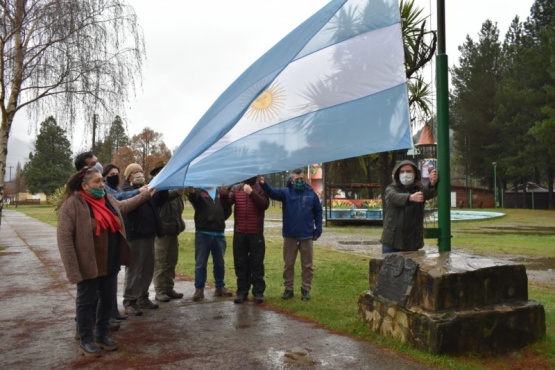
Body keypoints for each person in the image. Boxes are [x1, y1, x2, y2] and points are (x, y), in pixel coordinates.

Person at [57, 166, 153, 357]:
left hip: (110, 260)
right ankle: (86, 340)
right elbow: (64, 240)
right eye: (97, 181)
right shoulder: (72, 205)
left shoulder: (106, 199)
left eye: (102, 180)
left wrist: (147, 194)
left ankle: (101, 335)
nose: (102, 184)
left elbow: (123, 206)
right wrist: (72, 270)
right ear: (84, 185)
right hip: (88, 263)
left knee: (107, 300)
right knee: (86, 302)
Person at [259, 169, 323, 301]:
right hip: (290, 235)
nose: (300, 181)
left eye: (302, 179)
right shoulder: (286, 193)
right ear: (292, 181)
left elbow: (318, 212)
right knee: (288, 264)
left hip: (307, 235)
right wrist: (263, 183)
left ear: (304, 179)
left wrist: (318, 230)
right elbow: (272, 192)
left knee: (307, 265)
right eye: (297, 179)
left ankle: (305, 289)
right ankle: (289, 289)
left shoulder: (311, 194)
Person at [121, 163, 164, 316]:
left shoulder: (146, 189)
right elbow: (128, 206)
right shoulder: (125, 191)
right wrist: (142, 193)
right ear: (129, 176)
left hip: (148, 234)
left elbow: (158, 202)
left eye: (140, 171)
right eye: (135, 172)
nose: (139, 174)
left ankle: (142, 297)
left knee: (147, 268)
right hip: (135, 235)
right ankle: (129, 300)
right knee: (134, 269)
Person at [220, 176, 269, 304]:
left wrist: (251, 193)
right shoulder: (237, 188)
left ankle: (258, 292)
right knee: (241, 264)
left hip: (256, 233)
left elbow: (264, 204)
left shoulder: (260, 188)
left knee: (257, 264)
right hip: (240, 233)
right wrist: (224, 194)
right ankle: (242, 292)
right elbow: (226, 204)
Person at [380, 160, 438, 254]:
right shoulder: (391, 188)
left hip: (412, 242)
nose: (405, 174)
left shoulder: (420, 190)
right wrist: (410, 197)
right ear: (397, 175)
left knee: (411, 268)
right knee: (389, 267)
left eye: (409, 171)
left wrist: (432, 183)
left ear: (415, 174)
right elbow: (392, 197)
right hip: (391, 241)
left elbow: (430, 191)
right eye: (402, 172)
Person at [187, 186, 233, 302]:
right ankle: (199, 289)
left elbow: (227, 210)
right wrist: (191, 192)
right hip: (203, 233)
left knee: (219, 262)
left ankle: (220, 287)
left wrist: (224, 197)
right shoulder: (199, 191)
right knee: (201, 263)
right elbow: (193, 199)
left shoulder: (219, 192)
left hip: (219, 233)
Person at [150, 163, 186, 302]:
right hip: (162, 234)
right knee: (160, 262)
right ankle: (160, 291)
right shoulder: (156, 190)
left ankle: (169, 288)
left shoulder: (174, 192)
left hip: (173, 231)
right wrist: (175, 192)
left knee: (171, 261)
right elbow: (160, 199)